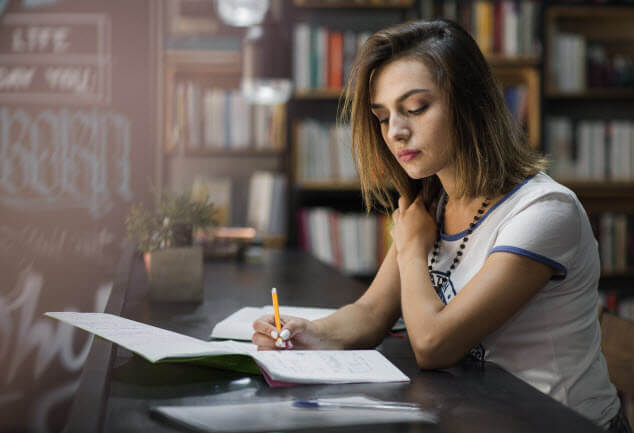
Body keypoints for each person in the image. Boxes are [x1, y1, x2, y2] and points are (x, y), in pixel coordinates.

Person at [252, 19, 628, 432]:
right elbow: (372, 310)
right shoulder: (432, 202)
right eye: (382, 116)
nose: (396, 131)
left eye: (415, 108)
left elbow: (434, 345)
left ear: (471, 104)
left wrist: (411, 247)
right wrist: (308, 333)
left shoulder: (544, 211)